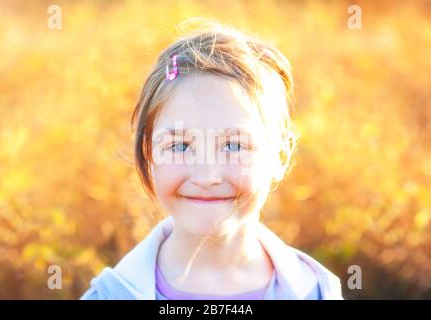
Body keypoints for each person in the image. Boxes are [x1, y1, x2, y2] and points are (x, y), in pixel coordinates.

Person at [81, 20, 343, 300]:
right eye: (180, 146)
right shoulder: (110, 296)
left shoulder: (315, 293)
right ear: (148, 153)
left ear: (279, 155)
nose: (206, 177)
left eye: (234, 145)